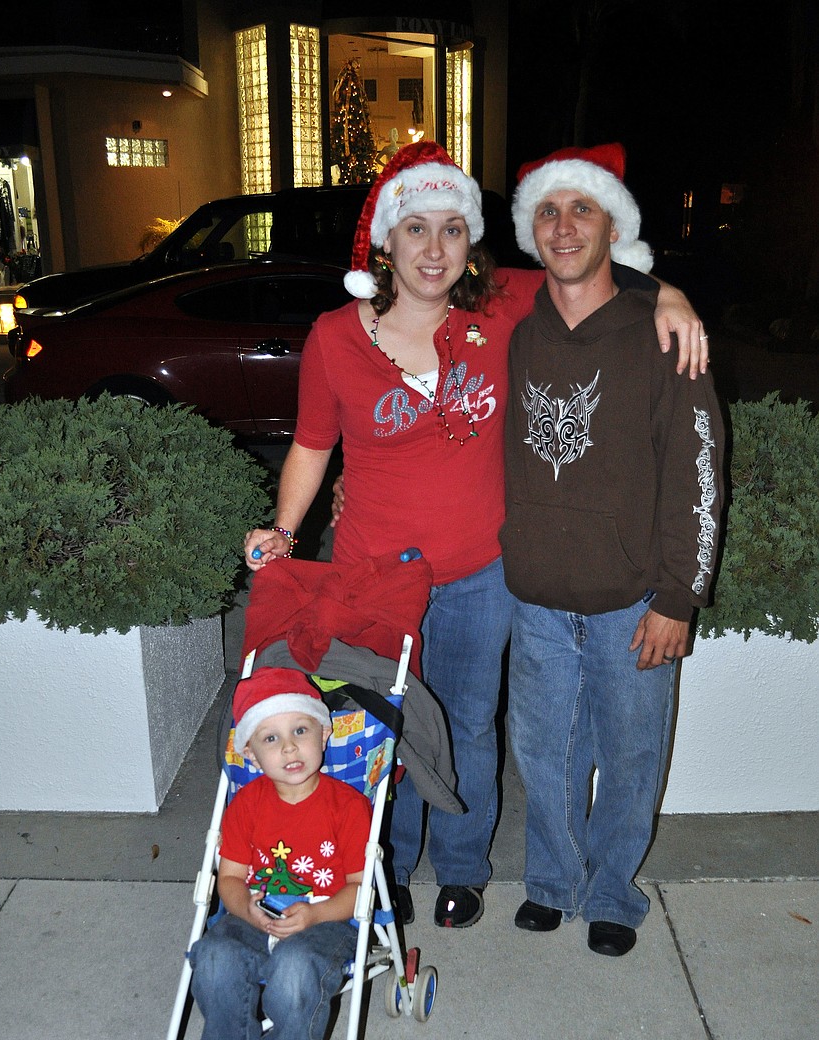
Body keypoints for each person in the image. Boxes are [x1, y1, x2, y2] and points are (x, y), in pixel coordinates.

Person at [243, 141, 706, 932]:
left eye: (453, 229)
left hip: (479, 574)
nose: (434, 249)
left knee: (465, 724)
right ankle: (384, 864)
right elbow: (313, 447)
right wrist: (284, 531)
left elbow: (589, 265)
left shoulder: (500, 309)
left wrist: (671, 294)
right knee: (376, 721)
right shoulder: (335, 337)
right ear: (386, 243)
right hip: (371, 575)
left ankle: (462, 867)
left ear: (472, 243)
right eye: (416, 229)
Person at [501, 143, 725, 957]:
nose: (563, 226)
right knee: (544, 753)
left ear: (613, 225)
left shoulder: (664, 337)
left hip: (635, 598)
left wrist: (679, 594)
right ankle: (553, 883)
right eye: (548, 210)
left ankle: (610, 895)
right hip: (535, 599)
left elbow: (698, 472)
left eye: (581, 209)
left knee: (631, 758)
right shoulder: (514, 328)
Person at [189, 667, 371, 1040]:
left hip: (326, 920)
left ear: (325, 733)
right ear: (249, 752)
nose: (289, 748)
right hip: (253, 914)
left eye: (300, 731)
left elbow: (357, 888)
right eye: (271, 738)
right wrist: (244, 907)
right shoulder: (246, 804)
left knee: (294, 968)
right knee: (212, 957)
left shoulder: (349, 808)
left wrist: (315, 914)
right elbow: (228, 877)